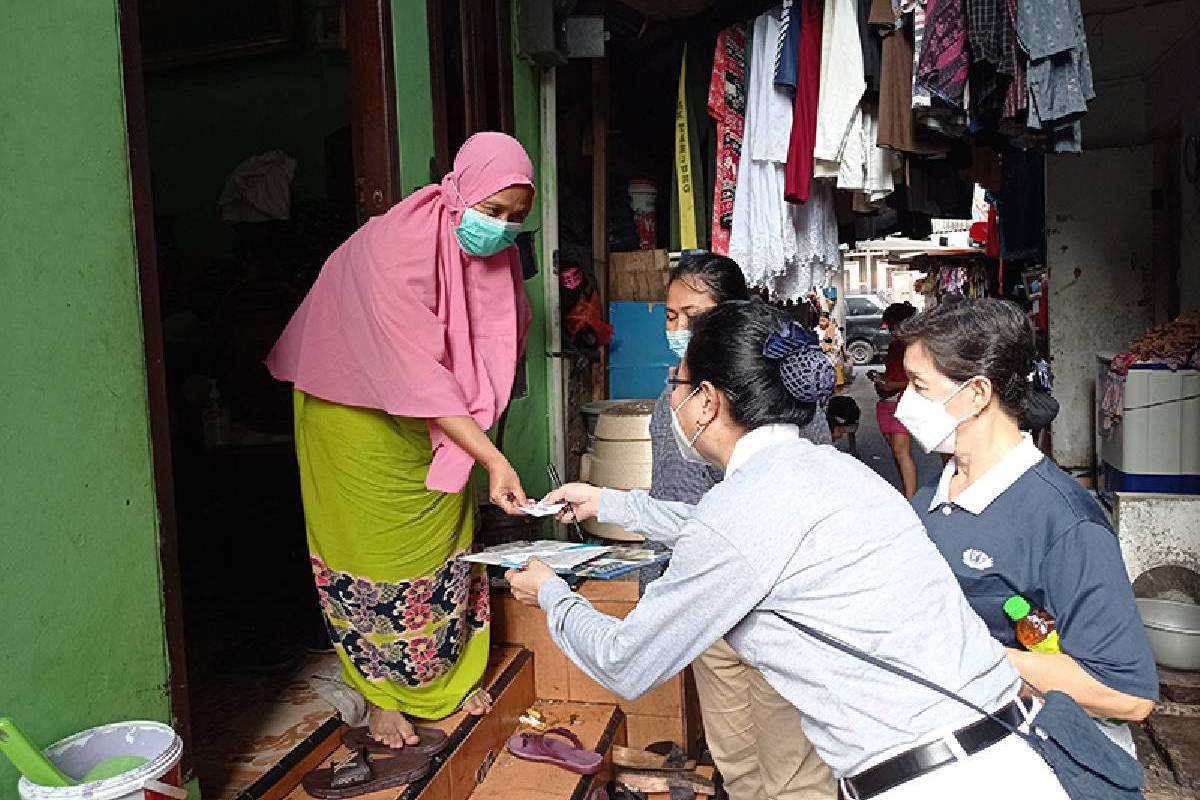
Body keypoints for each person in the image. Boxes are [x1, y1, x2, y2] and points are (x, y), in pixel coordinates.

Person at [510, 301, 1070, 800]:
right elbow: (733, 537)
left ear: (706, 401)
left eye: (676, 386)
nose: (671, 400)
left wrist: (552, 594)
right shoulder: (827, 470)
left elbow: (624, 662)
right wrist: (609, 502)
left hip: (933, 781)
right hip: (1009, 754)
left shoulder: (747, 507)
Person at [266, 132, 536, 748]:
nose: (500, 229)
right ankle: (380, 694)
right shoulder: (394, 248)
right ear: (461, 190)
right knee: (374, 555)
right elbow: (416, 371)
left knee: (443, 541)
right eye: (492, 212)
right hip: (352, 412)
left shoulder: (495, 257)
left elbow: (493, 349)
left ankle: (445, 680)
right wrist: (491, 457)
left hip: (435, 417)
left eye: (516, 219)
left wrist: (482, 448)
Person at [896, 299, 1158, 754]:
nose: (904, 404)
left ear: (976, 393)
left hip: (1028, 761)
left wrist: (962, 656)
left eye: (919, 386)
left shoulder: (1064, 521)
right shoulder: (935, 493)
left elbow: (1127, 694)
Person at [652, 254, 836, 800]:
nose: (678, 328)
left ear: (730, 315)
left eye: (692, 314)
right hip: (708, 603)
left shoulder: (775, 391)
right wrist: (662, 591)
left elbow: (809, 490)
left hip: (774, 604)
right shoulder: (674, 391)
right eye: (669, 315)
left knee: (793, 768)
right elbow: (666, 499)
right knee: (735, 757)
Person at [869, 301, 919, 498]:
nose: (890, 330)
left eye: (892, 325)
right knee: (897, 453)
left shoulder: (914, 347)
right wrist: (882, 381)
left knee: (901, 452)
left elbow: (919, 380)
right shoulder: (895, 345)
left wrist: (893, 386)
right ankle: (908, 493)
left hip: (904, 401)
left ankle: (910, 499)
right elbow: (895, 374)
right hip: (888, 401)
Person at [815, 311, 846, 391]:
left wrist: (836, 349)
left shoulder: (835, 330)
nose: (822, 323)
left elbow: (840, 343)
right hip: (820, 358)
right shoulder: (816, 330)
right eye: (820, 321)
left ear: (828, 320)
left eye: (824, 321)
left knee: (835, 381)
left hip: (833, 357)